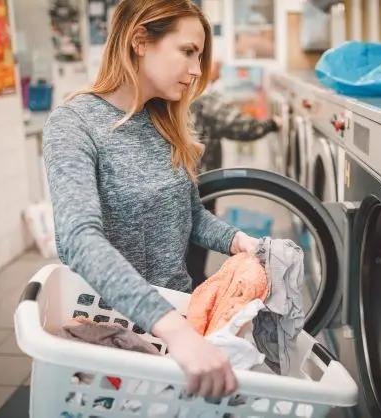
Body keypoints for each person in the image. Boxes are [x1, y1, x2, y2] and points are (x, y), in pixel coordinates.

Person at [43, 0, 259, 398]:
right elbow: (79, 239)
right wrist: (173, 329)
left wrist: (238, 242)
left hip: (176, 325)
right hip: (112, 334)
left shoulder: (163, 121)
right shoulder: (74, 124)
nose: (197, 70)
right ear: (140, 40)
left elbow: (190, 216)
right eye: (188, 51)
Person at [186, 60, 281, 286]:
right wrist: (272, 124)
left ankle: (193, 281)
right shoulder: (203, 99)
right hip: (200, 180)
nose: (219, 70)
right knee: (197, 231)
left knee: (190, 233)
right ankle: (193, 284)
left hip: (190, 177)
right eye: (215, 65)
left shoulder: (187, 95)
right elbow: (240, 126)